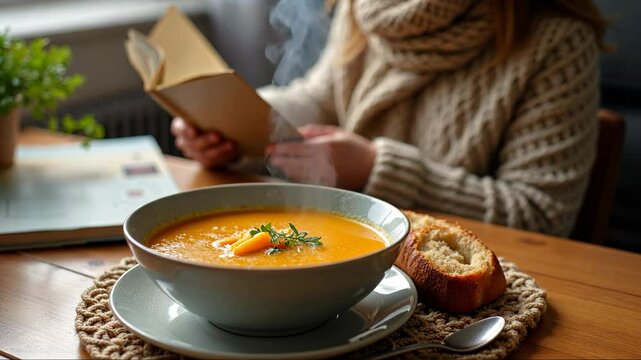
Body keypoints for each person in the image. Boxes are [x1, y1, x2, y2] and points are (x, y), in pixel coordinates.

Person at [171, 0, 609, 237]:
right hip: (351, 246)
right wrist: (229, 117)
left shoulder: (558, 41)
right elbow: (320, 97)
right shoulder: (363, 9)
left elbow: (541, 214)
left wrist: (375, 168)